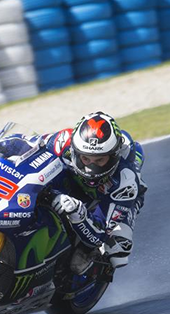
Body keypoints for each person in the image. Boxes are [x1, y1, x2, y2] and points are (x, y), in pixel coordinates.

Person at [44, 111, 147, 274]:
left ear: (113, 157)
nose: (90, 167)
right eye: (85, 159)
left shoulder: (125, 180)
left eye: (99, 160)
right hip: (72, 180)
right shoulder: (61, 141)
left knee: (117, 250)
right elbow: (30, 147)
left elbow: (99, 234)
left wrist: (78, 215)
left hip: (111, 196)